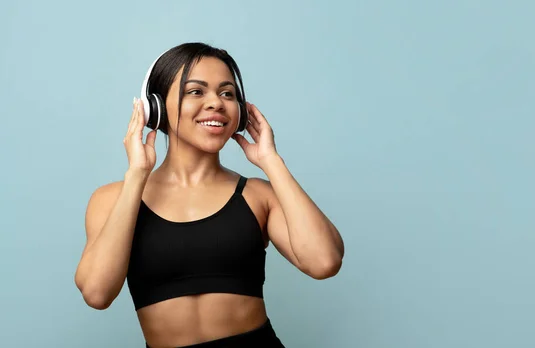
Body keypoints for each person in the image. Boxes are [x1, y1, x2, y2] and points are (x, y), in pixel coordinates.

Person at [73, 42, 345, 347]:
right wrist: (137, 175)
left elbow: (324, 262)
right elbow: (97, 293)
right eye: (196, 91)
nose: (216, 102)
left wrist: (271, 161)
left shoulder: (257, 195)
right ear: (157, 108)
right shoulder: (112, 199)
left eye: (227, 93)